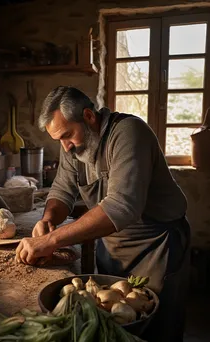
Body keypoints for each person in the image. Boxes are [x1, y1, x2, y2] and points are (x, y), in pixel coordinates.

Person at [15, 86, 190, 342]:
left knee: (154, 328)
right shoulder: (74, 149)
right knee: (114, 325)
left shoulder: (129, 133)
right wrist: (48, 219)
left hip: (156, 248)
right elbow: (62, 191)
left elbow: (122, 207)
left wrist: (51, 240)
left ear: (88, 116)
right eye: (59, 140)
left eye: (67, 135)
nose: (65, 147)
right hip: (113, 248)